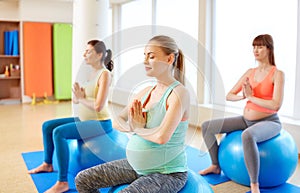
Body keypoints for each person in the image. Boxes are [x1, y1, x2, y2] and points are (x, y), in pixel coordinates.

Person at [75, 35, 190, 193]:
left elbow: (162, 137)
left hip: (166, 173)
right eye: (144, 56)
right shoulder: (145, 92)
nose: (145, 61)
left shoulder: (179, 93)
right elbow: (117, 121)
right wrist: (133, 126)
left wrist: (138, 128)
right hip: (136, 166)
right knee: (83, 179)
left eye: (151, 56)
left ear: (169, 59)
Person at [198, 34, 284, 193]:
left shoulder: (277, 74)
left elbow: (276, 105)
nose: (255, 50)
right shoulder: (250, 72)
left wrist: (252, 97)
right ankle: (215, 165)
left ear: (269, 49)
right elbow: (229, 95)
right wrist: (243, 96)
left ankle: (254, 184)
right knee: (207, 126)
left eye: (260, 46)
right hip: (246, 119)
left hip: (270, 121)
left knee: (247, 136)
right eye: (254, 47)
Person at [28, 40, 114, 193]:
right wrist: (77, 96)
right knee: (47, 126)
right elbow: (80, 100)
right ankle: (47, 164)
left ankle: (62, 182)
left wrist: (80, 98)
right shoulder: (90, 74)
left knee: (59, 132)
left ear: (99, 54)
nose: (84, 54)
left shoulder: (105, 74)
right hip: (85, 119)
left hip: (101, 122)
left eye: (88, 51)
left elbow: (98, 106)